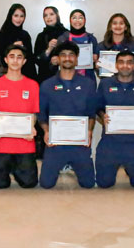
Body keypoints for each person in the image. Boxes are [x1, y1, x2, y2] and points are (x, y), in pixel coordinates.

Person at [38, 42, 97, 189]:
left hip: (79, 143)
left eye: (71, 55)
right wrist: (46, 131)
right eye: (63, 55)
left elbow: (91, 114)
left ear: (76, 59)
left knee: (88, 184)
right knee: (46, 184)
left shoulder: (88, 84)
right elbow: (41, 115)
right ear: (58, 59)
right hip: (56, 144)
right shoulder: (47, 85)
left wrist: (89, 131)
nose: (67, 58)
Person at [95, 50, 134, 188]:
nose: (125, 66)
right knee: (104, 183)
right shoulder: (105, 84)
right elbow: (97, 107)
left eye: (129, 62)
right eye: (121, 62)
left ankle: (131, 166)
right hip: (111, 142)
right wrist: (102, 116)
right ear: (116, 65)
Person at [0, 45, 40, 188]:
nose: (15, 61)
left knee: (29, 183)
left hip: (25, 143)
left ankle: (17, 170)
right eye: (12, 57)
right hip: (1, 143)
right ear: (6, 60)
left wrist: (31, 128)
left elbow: (34, 114)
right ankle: (10, 169)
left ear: (24, 61)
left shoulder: (33, 85)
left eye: (19, 57)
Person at [55, 9, 99, 82]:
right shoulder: (63, 38)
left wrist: (95, 61)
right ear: (70, 20)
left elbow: (96, 66)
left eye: (80, 18)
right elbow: (57, 62)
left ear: (85, 20)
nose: (77, 21)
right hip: (67, 79)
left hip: (87, 79)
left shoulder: (91, 39)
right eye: (74, 18)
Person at [0, 3, 37, 80]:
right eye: (16, 16)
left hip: (25, 76)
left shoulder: (25, 35)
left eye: (22, 16)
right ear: (10, 16)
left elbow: (30, 60)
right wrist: (12, 47)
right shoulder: (2, 35)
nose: (19, 19)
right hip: (7, 76)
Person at [33, 6, 67, 84]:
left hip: (64, 77)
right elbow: (36, 59)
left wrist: (60, 60)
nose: (48, 17)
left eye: (51, 14)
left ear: (57, 16)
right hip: (45, 78)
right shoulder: (41, 36)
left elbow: (73, 56)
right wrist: (48, 50)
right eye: (45, 15)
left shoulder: (66, 34)